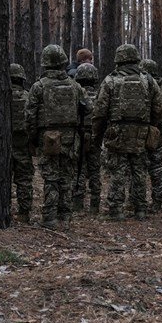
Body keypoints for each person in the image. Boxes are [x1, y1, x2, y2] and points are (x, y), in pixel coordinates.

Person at [92, 44, 162, 220]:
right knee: (139, 169)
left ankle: (116, 210)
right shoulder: (148, 80)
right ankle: (140, 209)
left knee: (118, 170)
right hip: (141, 131)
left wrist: (97, 134)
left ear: (118, 60)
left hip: (117, 131)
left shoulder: (110, 81)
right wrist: (150, 124)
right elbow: (161, 108)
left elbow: (99, 111)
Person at [25, 44, 86, 230]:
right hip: (70, 137)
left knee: (51, 178)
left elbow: (29, 115)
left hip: (48, 137)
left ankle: (50, 218)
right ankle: (65, 217)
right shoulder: (75, 85)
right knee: (66, 177)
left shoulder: (38, 87)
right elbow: (88, 107)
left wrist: (33, 138)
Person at [139, 59, 162, 212]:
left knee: (138, 166)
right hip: (158, 132)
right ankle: (158, 201)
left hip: (140, 132)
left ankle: (138, 202)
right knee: (157, 167)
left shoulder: (141, 86)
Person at [72, 63, 100, 213]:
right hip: (95, 136)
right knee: (95, 170)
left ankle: (77, 203)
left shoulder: (76, 93)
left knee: (79, 169)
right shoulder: (101, 94)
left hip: (79, 135)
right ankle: (95, 204)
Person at [9, 63, 34, 223]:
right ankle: (24, 213)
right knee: (24, 179)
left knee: (2, 177)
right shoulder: (28, 96)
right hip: (23, 144)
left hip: (3, 145)